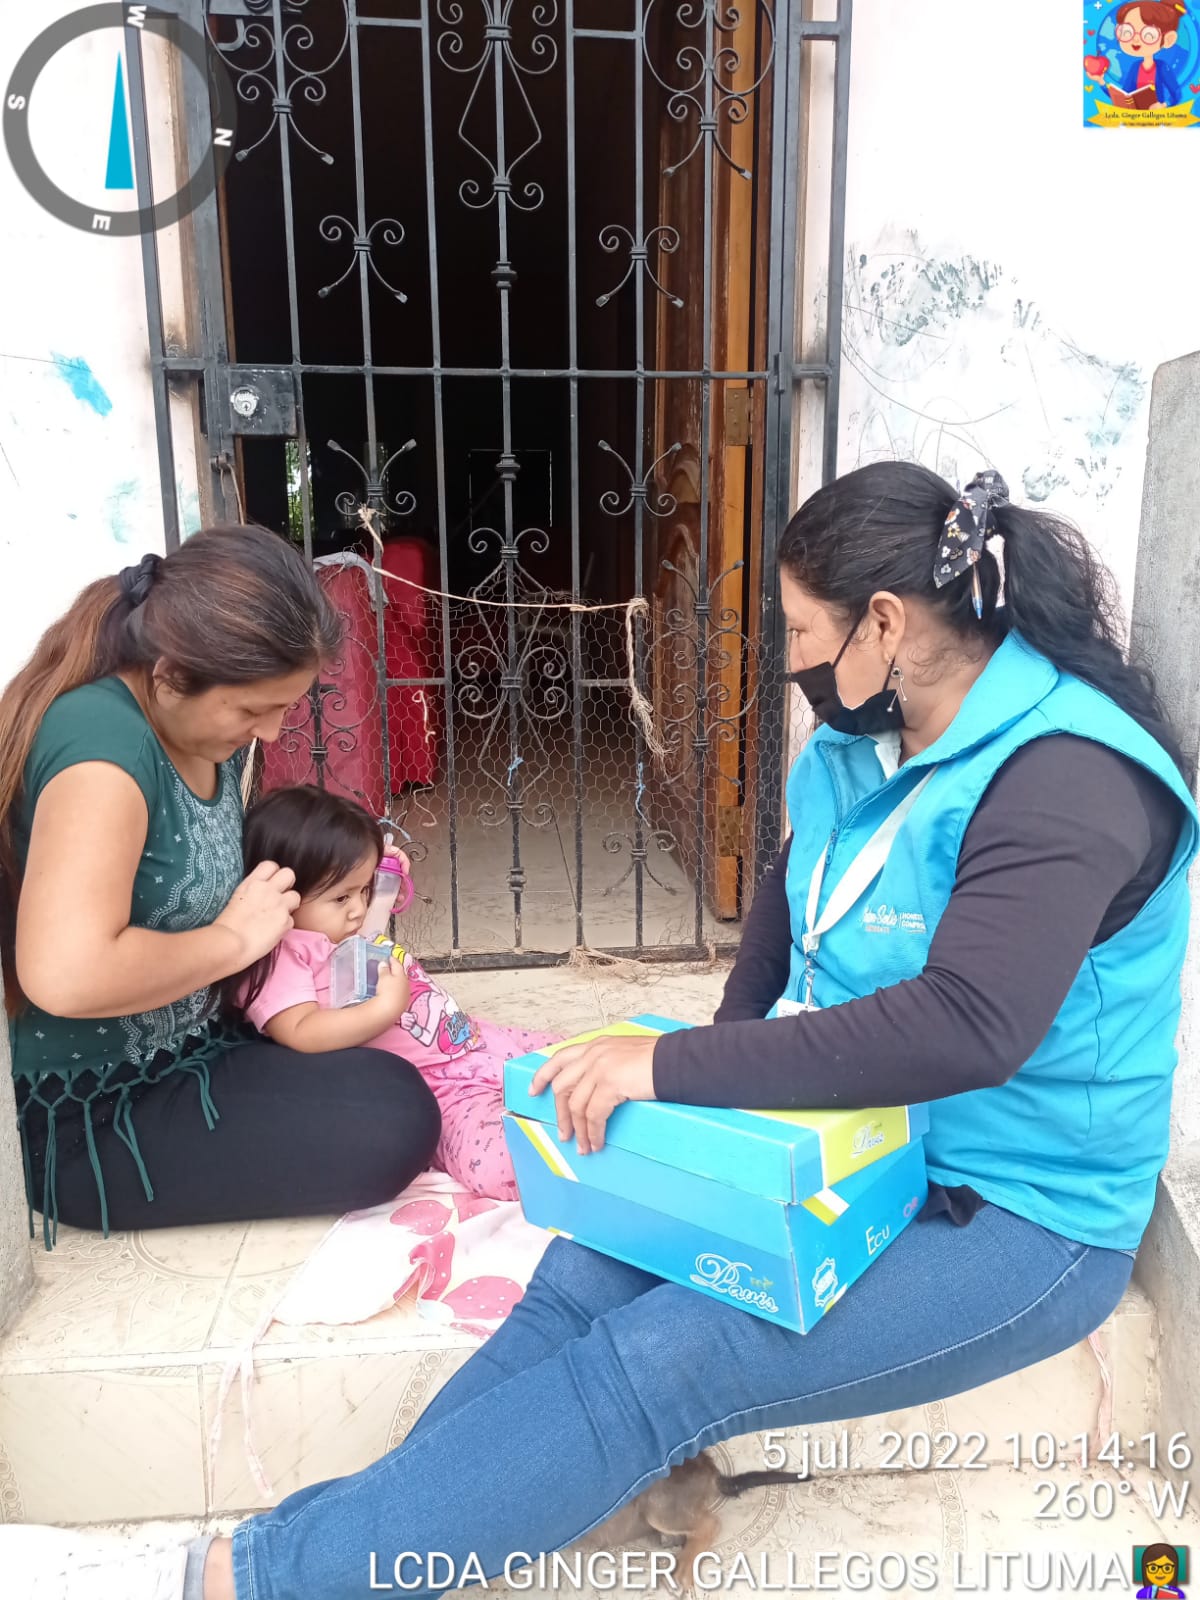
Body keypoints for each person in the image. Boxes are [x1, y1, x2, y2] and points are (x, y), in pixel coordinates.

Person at [7, 462, 1196, 1600]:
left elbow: (969, 1025)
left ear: (884, 623)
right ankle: (361, 1548)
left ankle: (261, 1575)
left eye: (799, 631)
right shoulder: (862, 740)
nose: (791, 660)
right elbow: (783, 914)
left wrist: (670, 1067)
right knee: (580, 1276)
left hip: (1007, 1211)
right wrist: (712, 1127)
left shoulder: (1067, 778)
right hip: (843, 1138)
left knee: (673, 1357)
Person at [0, 526, 441, 1248]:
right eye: (252, 710)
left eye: (284, 707)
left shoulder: (200, 733)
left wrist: (354, 872)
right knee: (393, 1123)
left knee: (393, 1078)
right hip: (94, 1111)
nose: (269, 733)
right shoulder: (103, 750)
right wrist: (231, 942)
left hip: (197, 1045)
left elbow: (220, 878)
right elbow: (66, 975)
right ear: (172, 673)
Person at [233, 785, 555, 1201]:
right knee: (508, 1165)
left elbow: (359, 889)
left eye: (364, 890)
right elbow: (300, 1029)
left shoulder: (341, 922)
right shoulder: (284, 952)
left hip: (474, 1039)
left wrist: (379, 873)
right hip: (438, 1089)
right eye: (342, 896)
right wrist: (385, 1009)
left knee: (582, 1059)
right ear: (285, 897)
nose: (358, 909)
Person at [1086, 2, 1188, 108]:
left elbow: (1176, 94)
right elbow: (1124, 96)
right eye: (1127, 32)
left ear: (1168, 39)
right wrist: (1101, 81)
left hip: (1157, 115)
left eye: (1148, 34)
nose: (1135, 39)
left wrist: (1164, 105)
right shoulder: (1135, 67)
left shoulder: (1162, 67)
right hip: (1135, 114)